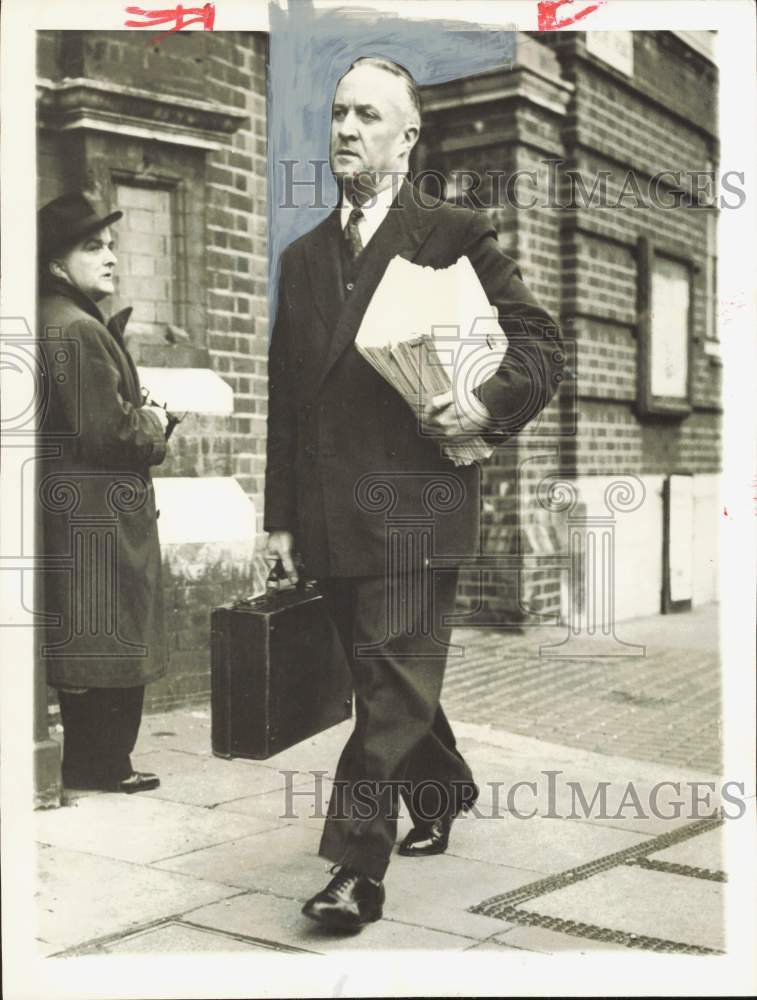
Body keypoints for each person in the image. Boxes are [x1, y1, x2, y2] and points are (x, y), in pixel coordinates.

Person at [264, 57, 564, 930]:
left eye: (368, 116)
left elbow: (541, 347)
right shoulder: (305, 256)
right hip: (327, 513)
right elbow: (288, 396)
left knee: (388, 680)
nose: (346, 129)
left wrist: (480, 400)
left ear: (407, 138)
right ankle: (444, 786)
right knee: (382, 681)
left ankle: (356, 869)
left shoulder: (453, 233)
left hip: (415, 510)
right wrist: (281, 518)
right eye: (338, 113)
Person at [37, 192, 172, 794]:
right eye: (93, 247)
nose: (111, 256)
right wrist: (157, 423)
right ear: (57, 265)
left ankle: (93, 761)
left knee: (90, 634)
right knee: (114, 632)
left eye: (111, 244)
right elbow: (108, 431)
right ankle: (105, 764)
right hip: (101, 511)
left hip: (77, 507)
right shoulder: (77, 328)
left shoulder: (53, 317)